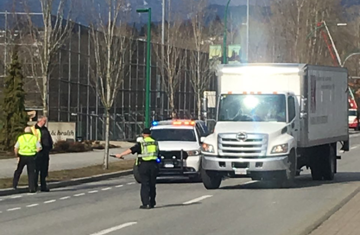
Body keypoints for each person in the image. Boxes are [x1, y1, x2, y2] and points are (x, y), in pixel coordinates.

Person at [115, 128, 159, 209]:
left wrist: (121, 155)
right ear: (150, 134)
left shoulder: (142, 143)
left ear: (143, 134)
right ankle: (152, 202)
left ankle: (146, 203)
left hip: (144, 165)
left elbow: (131, 150)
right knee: (152, 184)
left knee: (145, 184)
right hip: (154, 165)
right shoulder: (155, 142)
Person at [13, 127, 42, 193]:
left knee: (18, 171)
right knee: (31, 173)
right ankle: (31, 188)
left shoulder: (21, 138)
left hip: (22, 156)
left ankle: (14, 184)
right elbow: (39, 148)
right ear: (31, 132)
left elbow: (15, 148)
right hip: (31, 156)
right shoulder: (34, 138)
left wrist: (17, 155)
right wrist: (35, 152)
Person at [31, 116, 53, 192]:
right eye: (44, 121)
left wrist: (50, 146)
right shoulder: (34, 129)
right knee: (36, 170)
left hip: (45, 152)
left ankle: (43, 185)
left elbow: (48, 139)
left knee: (44, 170)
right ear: (39, 121)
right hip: (37, 152)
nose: (45, 122)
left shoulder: (45, 129)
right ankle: (34, 186)